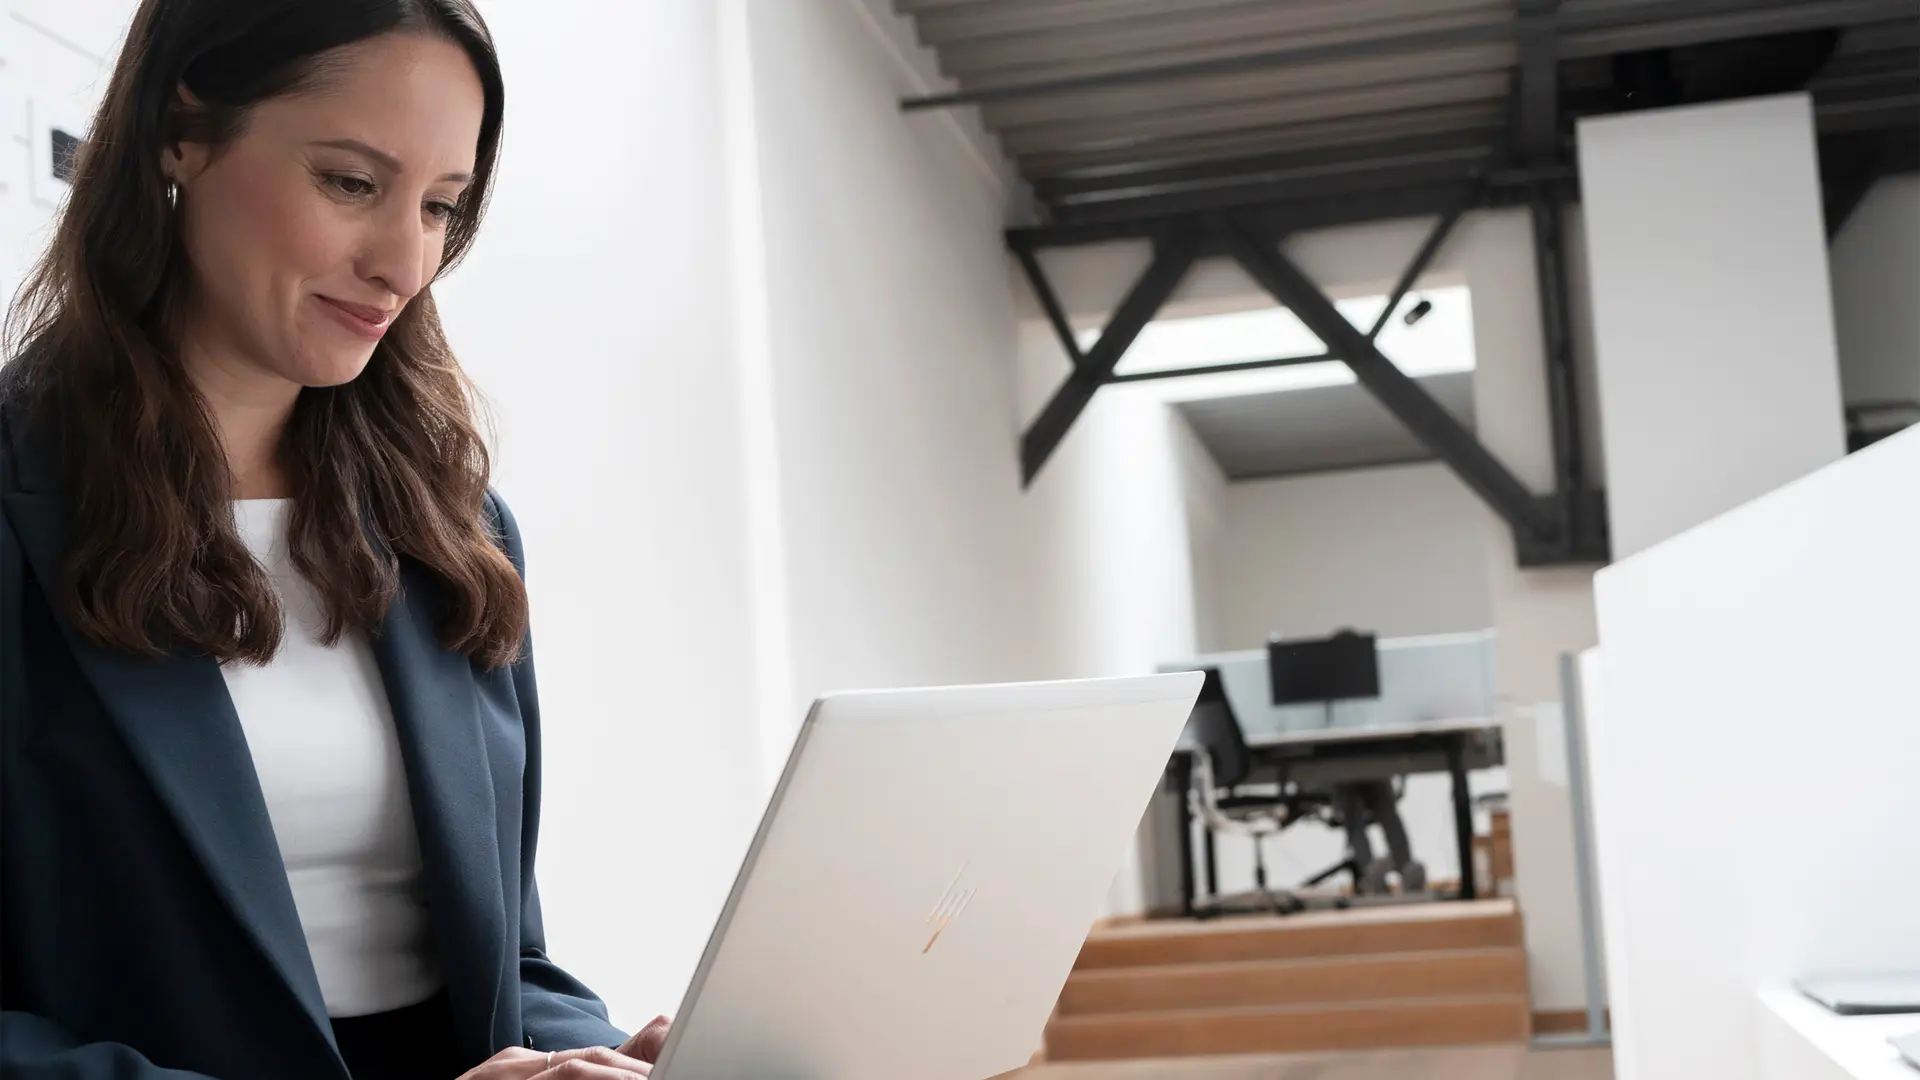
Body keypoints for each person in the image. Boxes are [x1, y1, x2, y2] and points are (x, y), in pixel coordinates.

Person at [0, 1, 671, 1076]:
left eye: (443, 206)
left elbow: (507, 966)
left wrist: (594, 1055)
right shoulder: (18, 505)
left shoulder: (455, 528)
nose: (403, 263)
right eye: (352, 184)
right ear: (184, 133)